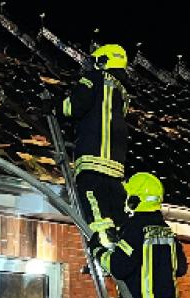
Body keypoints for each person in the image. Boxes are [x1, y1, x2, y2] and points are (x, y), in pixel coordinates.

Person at [59, 44, 131, 247]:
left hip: (93, 156)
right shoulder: (123, 92)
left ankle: (104, 242)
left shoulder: (94, 79)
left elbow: (73, 107)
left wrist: (54, 106)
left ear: (103, 61)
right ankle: (122, 244)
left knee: (93, 199)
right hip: (116, 164)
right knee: (116, 206)